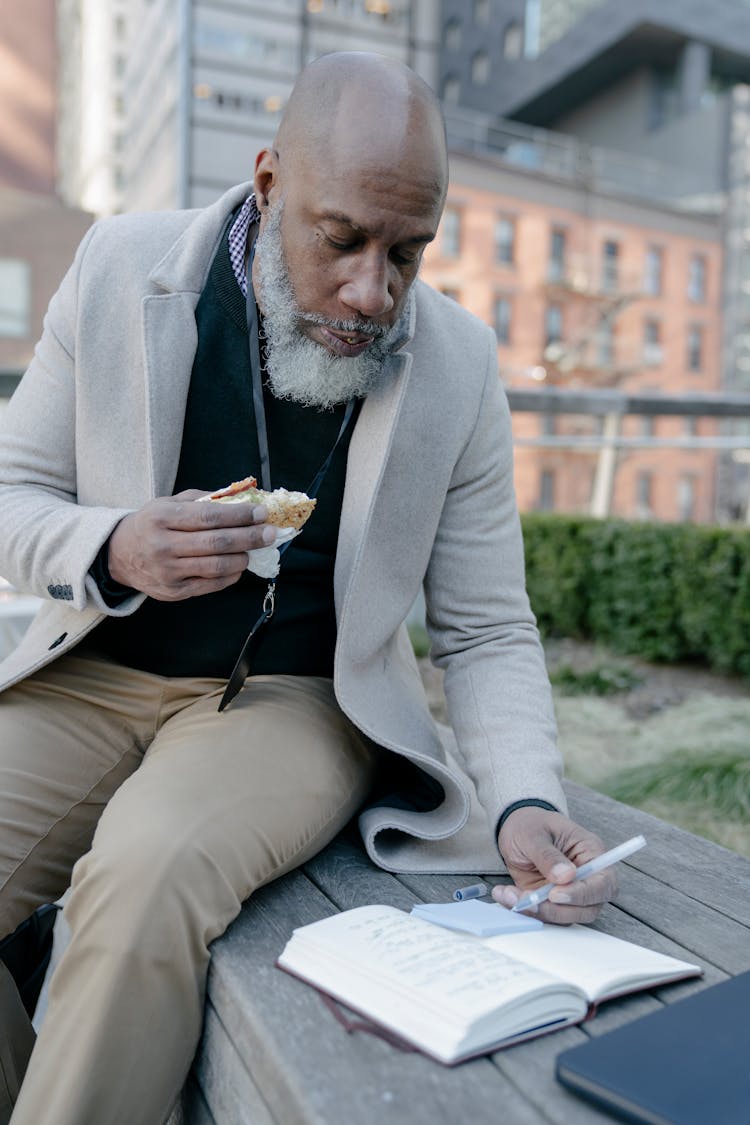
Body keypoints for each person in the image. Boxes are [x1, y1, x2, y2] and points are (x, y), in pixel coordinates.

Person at [0, 52, 615, 1125]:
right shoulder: (120, 265)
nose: (372, 292)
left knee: (146, 879)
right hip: (93, 668)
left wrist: (526, 798)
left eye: (408, 255)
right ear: (269, 183)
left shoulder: (462, 368)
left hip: (293, 705)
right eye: (342, 240)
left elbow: (484, 628)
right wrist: (114, 548)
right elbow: (11, 493)